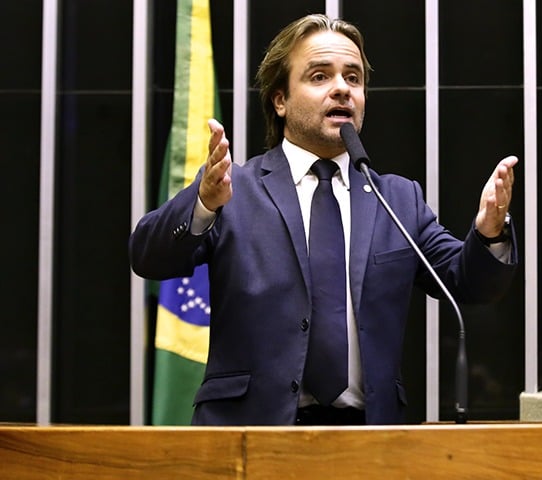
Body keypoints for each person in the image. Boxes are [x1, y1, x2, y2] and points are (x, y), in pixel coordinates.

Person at [129, 13, 518, 426]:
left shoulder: (398, 200)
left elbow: (468, 283)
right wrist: (204, 203)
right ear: (280, 100)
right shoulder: (234, 190)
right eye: (319, 76)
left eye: (353, 78)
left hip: (370, 438)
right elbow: (148, 257)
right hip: (250, 431)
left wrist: (490, 232)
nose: (341, 89)